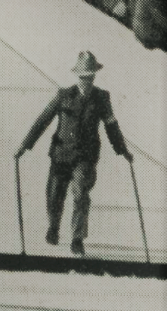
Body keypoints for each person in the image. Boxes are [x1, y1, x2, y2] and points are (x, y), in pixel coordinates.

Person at [16, 51, 134, 255]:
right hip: (60, 155)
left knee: (80, 194)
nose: (87, 80)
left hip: (85, 158)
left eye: (90, 76)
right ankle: (53, 227)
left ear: (94, 76)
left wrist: (122, 150)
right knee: (54, 195)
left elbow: (111, 126)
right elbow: (43, 120)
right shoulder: (63, 95)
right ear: (77, 76)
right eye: (83, 76)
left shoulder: (102, 98)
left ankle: (77, 238)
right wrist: (25, 145)